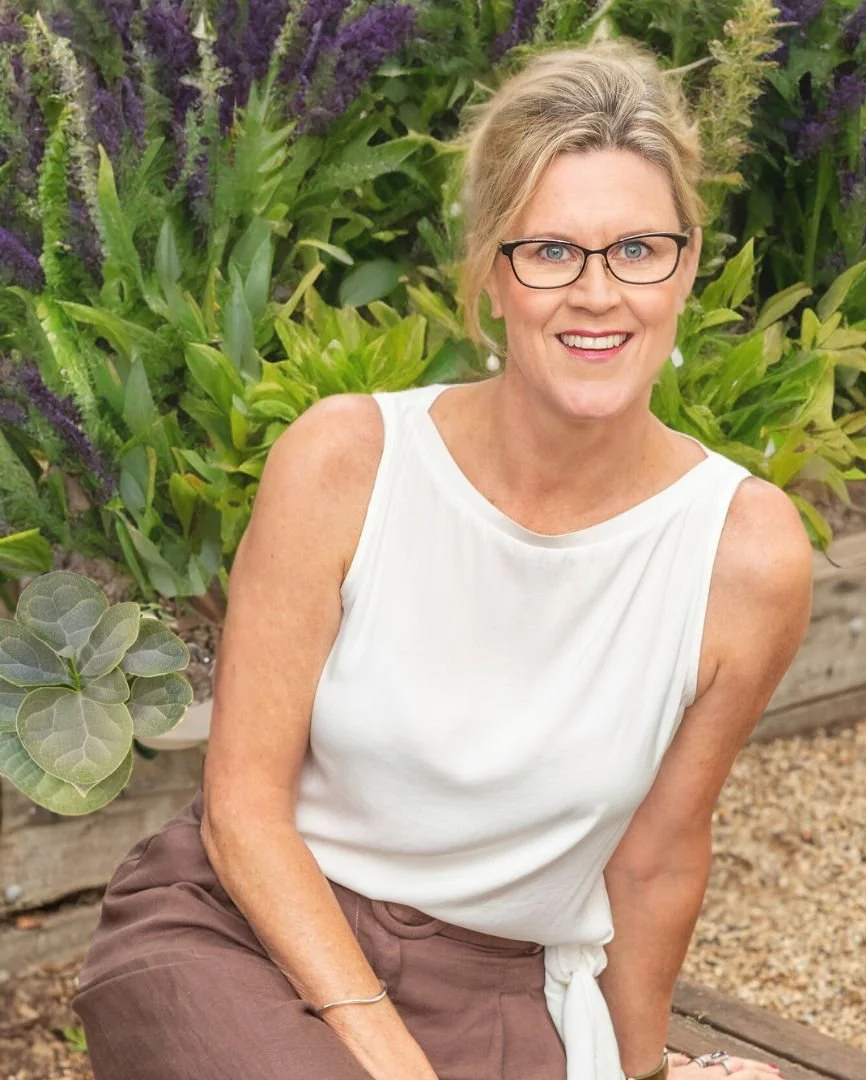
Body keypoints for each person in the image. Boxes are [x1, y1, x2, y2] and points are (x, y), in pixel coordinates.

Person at [71, 38, 813, 1080]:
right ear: (490, 274)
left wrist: (643, 1072)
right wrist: (389, 1058)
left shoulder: (744, 551)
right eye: (550, 251)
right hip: (246, 935)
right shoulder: (345, 462)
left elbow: (654, 863)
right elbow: (243, 811)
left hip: (495, 995)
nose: (597, 292)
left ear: (685, 268)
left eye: (638, 249)